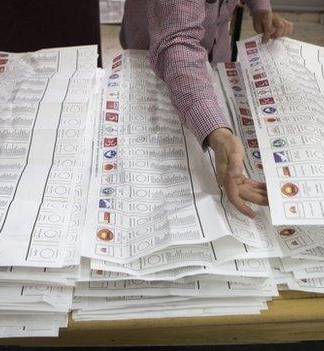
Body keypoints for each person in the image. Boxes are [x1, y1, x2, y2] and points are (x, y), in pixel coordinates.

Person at [120, 0, 293, 218]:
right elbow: (178, 44)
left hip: (213, 45)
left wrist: (261, 7)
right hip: (152, 52)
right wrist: (217, 133)